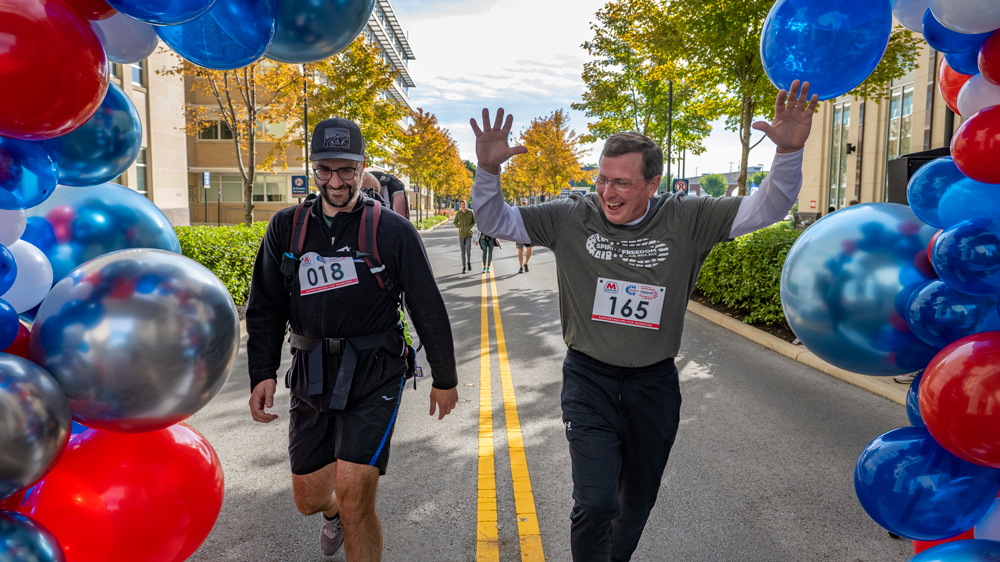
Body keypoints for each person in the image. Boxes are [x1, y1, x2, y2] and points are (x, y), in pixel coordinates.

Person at [470, 80, 818, 562]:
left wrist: (789, 153)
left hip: (653, 386)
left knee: (635, 504)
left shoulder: (688, 218)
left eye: (622, 183)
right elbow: (495, 220)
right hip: (588, 377)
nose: (607, 193)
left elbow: (769, 207)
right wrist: (488, 171)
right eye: (602, 179)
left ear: (652, 185)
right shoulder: (572, 216)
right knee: (594, 501)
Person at [245, 117, 459, 561]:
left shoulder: (392, 230)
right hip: (311, 372)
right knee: (310, 498)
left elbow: (427, 306)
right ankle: (331, 516)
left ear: (363, 168)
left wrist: (445, 376)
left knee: (356, 499)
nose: (335, 181)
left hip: (374, 372)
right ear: (314, 167)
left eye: (346, 170)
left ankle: (346, 514)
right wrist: (261, 372)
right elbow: (265, 305)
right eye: (325, 170)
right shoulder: (287, 227)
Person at [454, 199, 475, 273]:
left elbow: (474, 222)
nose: (463, 206)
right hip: (461, 234)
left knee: (468, 250)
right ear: (460, 205)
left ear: (466, 204)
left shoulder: (470, 212)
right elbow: (455, 222)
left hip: (469, 234)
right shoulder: (459, 213)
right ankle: (464, 266)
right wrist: (459, 226)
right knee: (463, 251)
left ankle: (469, 262)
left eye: (464, 204)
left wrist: (469, 227)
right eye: (462, 204)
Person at [516, 198, 533, 273]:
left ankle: (525, 263)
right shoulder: (516, 211)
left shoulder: (530, 211)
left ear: (527, 203)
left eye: (525, 203)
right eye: (523, 203)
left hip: (527, 233)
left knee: (529, 249)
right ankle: (520, 267)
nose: (524, 204)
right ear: (520, 203)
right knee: (520, 249)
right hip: (519, 233)